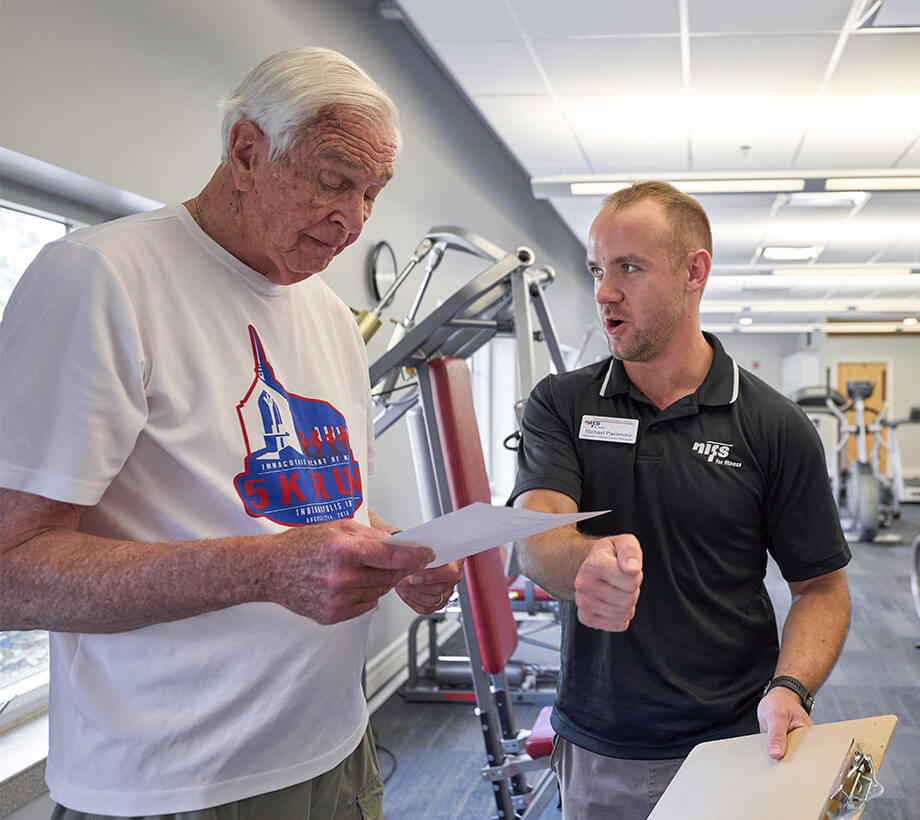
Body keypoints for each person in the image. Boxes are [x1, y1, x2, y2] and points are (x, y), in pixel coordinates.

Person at [0, 47, 462, 819]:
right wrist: (263, 570)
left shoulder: (327, 315)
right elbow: (11, 574)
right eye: (334, 180)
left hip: (337, 752)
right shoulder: (99, 277)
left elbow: (322, 514)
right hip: (175, 783)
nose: (352, 218)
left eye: (373, 194)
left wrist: (393, 553)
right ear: (247, 151)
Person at [510, 181, 851, 820]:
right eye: (597, 270)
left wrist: (790, 685)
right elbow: (536, 534)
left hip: (733, 743)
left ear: (695, 272)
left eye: (629, 268)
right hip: (601, 742)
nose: (604, 291)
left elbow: (822, 589)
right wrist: (587, 564)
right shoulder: (560, 403)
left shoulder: (773, 425)